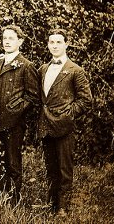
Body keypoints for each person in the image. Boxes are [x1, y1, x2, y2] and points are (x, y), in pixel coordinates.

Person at [38, 28, 92, 216]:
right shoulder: (43, 69)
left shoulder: (75, 70)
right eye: (51, 42)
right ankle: (52, 204)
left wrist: (68, 114)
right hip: (46, 126)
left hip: (64, 126)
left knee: (64, 167)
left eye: (58, 42)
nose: (54, 46)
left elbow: (86, 100)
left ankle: (63, 207)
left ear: (66, 44)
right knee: (51, 166)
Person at [0, 25, 39, 205]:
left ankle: (14, 199)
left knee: (13, 161)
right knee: (0, 159)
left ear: (20, 42)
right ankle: (2, 193)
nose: (7, 41)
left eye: (11, 38)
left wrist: (15, 111)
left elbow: (32, 96)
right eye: (4, 38)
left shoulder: (26, 66)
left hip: (14, 123)